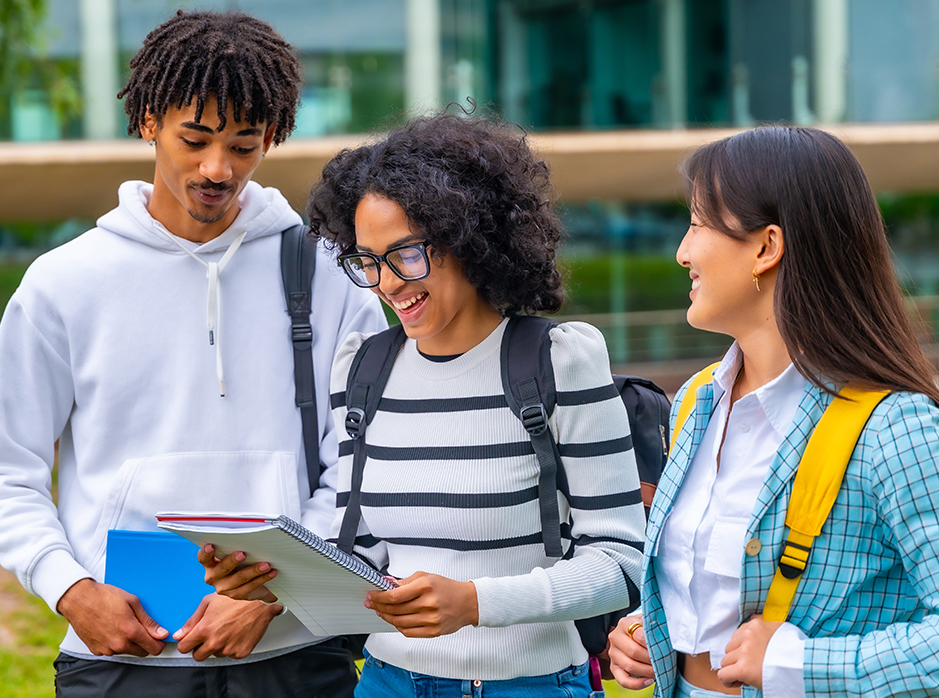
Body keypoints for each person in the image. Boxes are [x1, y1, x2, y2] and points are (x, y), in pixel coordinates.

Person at [0, 10, 385, 698]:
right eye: (196, 139)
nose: (218, 168)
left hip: (293, 655)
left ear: (271, 136)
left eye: (243, 145)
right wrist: (71, 589)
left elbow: (367, 460)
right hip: (120, 661)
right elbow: (9, 469)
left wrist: (278, 595)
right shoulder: (64, 283)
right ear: (148, 120)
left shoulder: (329, 274)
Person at [200, 112, 646, 697]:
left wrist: (476, 603)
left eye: (406, 255)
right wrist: (273, 582)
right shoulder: (362, 371)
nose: (387, 283)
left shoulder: (560, 361)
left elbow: (620, 563)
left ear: (467, 237)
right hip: (388, 682)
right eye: (368, 261)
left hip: (527, 685)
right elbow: (360, 551)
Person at [606, 126, 939, 698]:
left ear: (766, 247)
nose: (682, 252)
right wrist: (648, 631)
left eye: (697, 223)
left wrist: (798, 664)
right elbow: (711, 586)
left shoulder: (895, 427)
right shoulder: (695, 401)